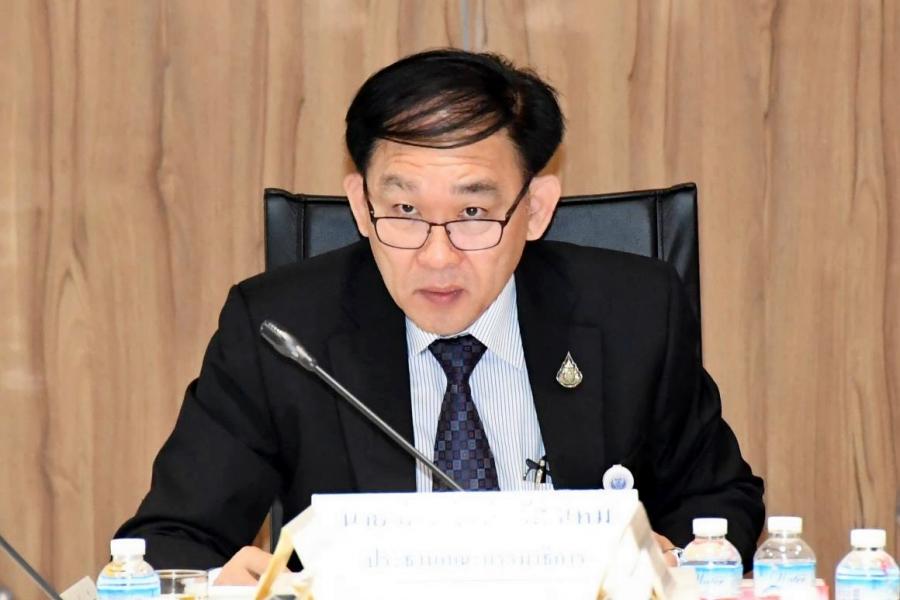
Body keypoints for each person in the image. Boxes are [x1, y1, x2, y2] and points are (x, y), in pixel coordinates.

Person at [117, 48, 764, 584]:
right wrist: (218, 581)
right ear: (361, 205)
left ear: (536, 209)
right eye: (403, 211)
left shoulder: (634, 312)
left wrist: (680, 561)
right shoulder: (282, 332)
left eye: (473, 213)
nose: (436, 256)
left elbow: (716, 499)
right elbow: (170, 540)